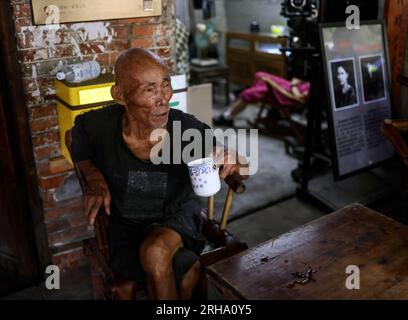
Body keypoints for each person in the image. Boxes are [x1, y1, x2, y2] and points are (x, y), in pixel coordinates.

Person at [71, 48, 247, 300]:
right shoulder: (100, 125)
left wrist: (233, 158)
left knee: (155, 250)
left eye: (166, 85)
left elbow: (239, 167)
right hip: (127, 224)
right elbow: (77, 136)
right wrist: (93, 178)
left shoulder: (183, 127)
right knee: (185, 273)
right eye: (150, 89)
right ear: (120, 95)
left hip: (176, 217)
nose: (163, 99)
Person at [213, 71, 310, 126]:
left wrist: (293, 85)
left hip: (285, 95)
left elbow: (300, 97)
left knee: (248, 94)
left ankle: (227, 117)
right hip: (289, 87)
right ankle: (244, 93)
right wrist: (295, 83)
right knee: (259, 75)